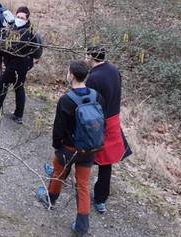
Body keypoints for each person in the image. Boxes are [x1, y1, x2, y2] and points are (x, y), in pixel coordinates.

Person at [37, 60, 105, 237]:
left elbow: (58, 129)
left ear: (72, 75)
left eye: (68, 72)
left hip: (69, 149)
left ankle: (50, 200)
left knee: (58, 175)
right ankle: (82, 226)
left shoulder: (66, 100)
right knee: (83, 185)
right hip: (90, 149)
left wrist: (57, 147)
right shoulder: (96, 96)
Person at [85, 45, 131, 214]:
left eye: (87, 56)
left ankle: (59, 173)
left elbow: (90, 103)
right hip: (113, 119)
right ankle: (100, 199)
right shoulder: (113, 70)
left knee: (79, 149)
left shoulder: (94, 78)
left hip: (99, 121)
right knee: (106, 163)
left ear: (91, 57)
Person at [0, 6, 38, 124]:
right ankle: (18, 115)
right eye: (18, 16)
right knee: (18, 87)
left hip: (18, 64)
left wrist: (0, 43)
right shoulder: (15, 27)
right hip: (19, 64)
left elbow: (14, 47)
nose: (19, 19)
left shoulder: (26, 32)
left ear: (27, 19)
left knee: (2, 85)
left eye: (22, 18)